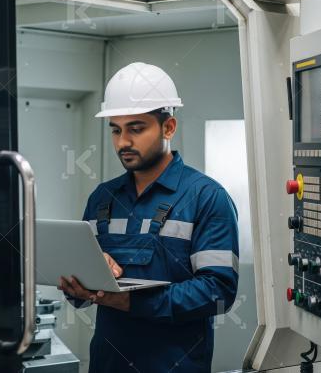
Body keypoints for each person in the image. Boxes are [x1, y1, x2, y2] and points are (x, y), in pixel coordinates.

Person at [57, 62, 240, 372]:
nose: (122, 142)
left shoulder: (207, 198)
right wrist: (80, 283)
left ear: (169, 127)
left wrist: (130, 301)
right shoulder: (103, 198)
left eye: (136, 128)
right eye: (116, 129)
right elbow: (82, 296)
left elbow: (218, 292)